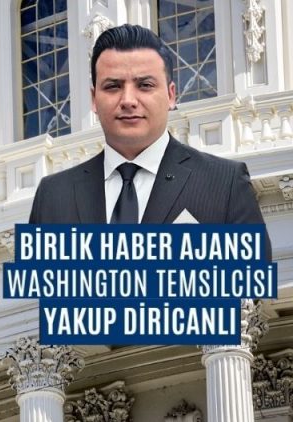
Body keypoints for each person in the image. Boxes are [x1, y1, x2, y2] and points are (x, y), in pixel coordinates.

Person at [27, 24, 270, 258]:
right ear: (94, 99)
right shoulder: (53, 196)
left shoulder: (223, 184)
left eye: (145, 85)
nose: (128, 100)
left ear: (170, 95)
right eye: (113, 86)